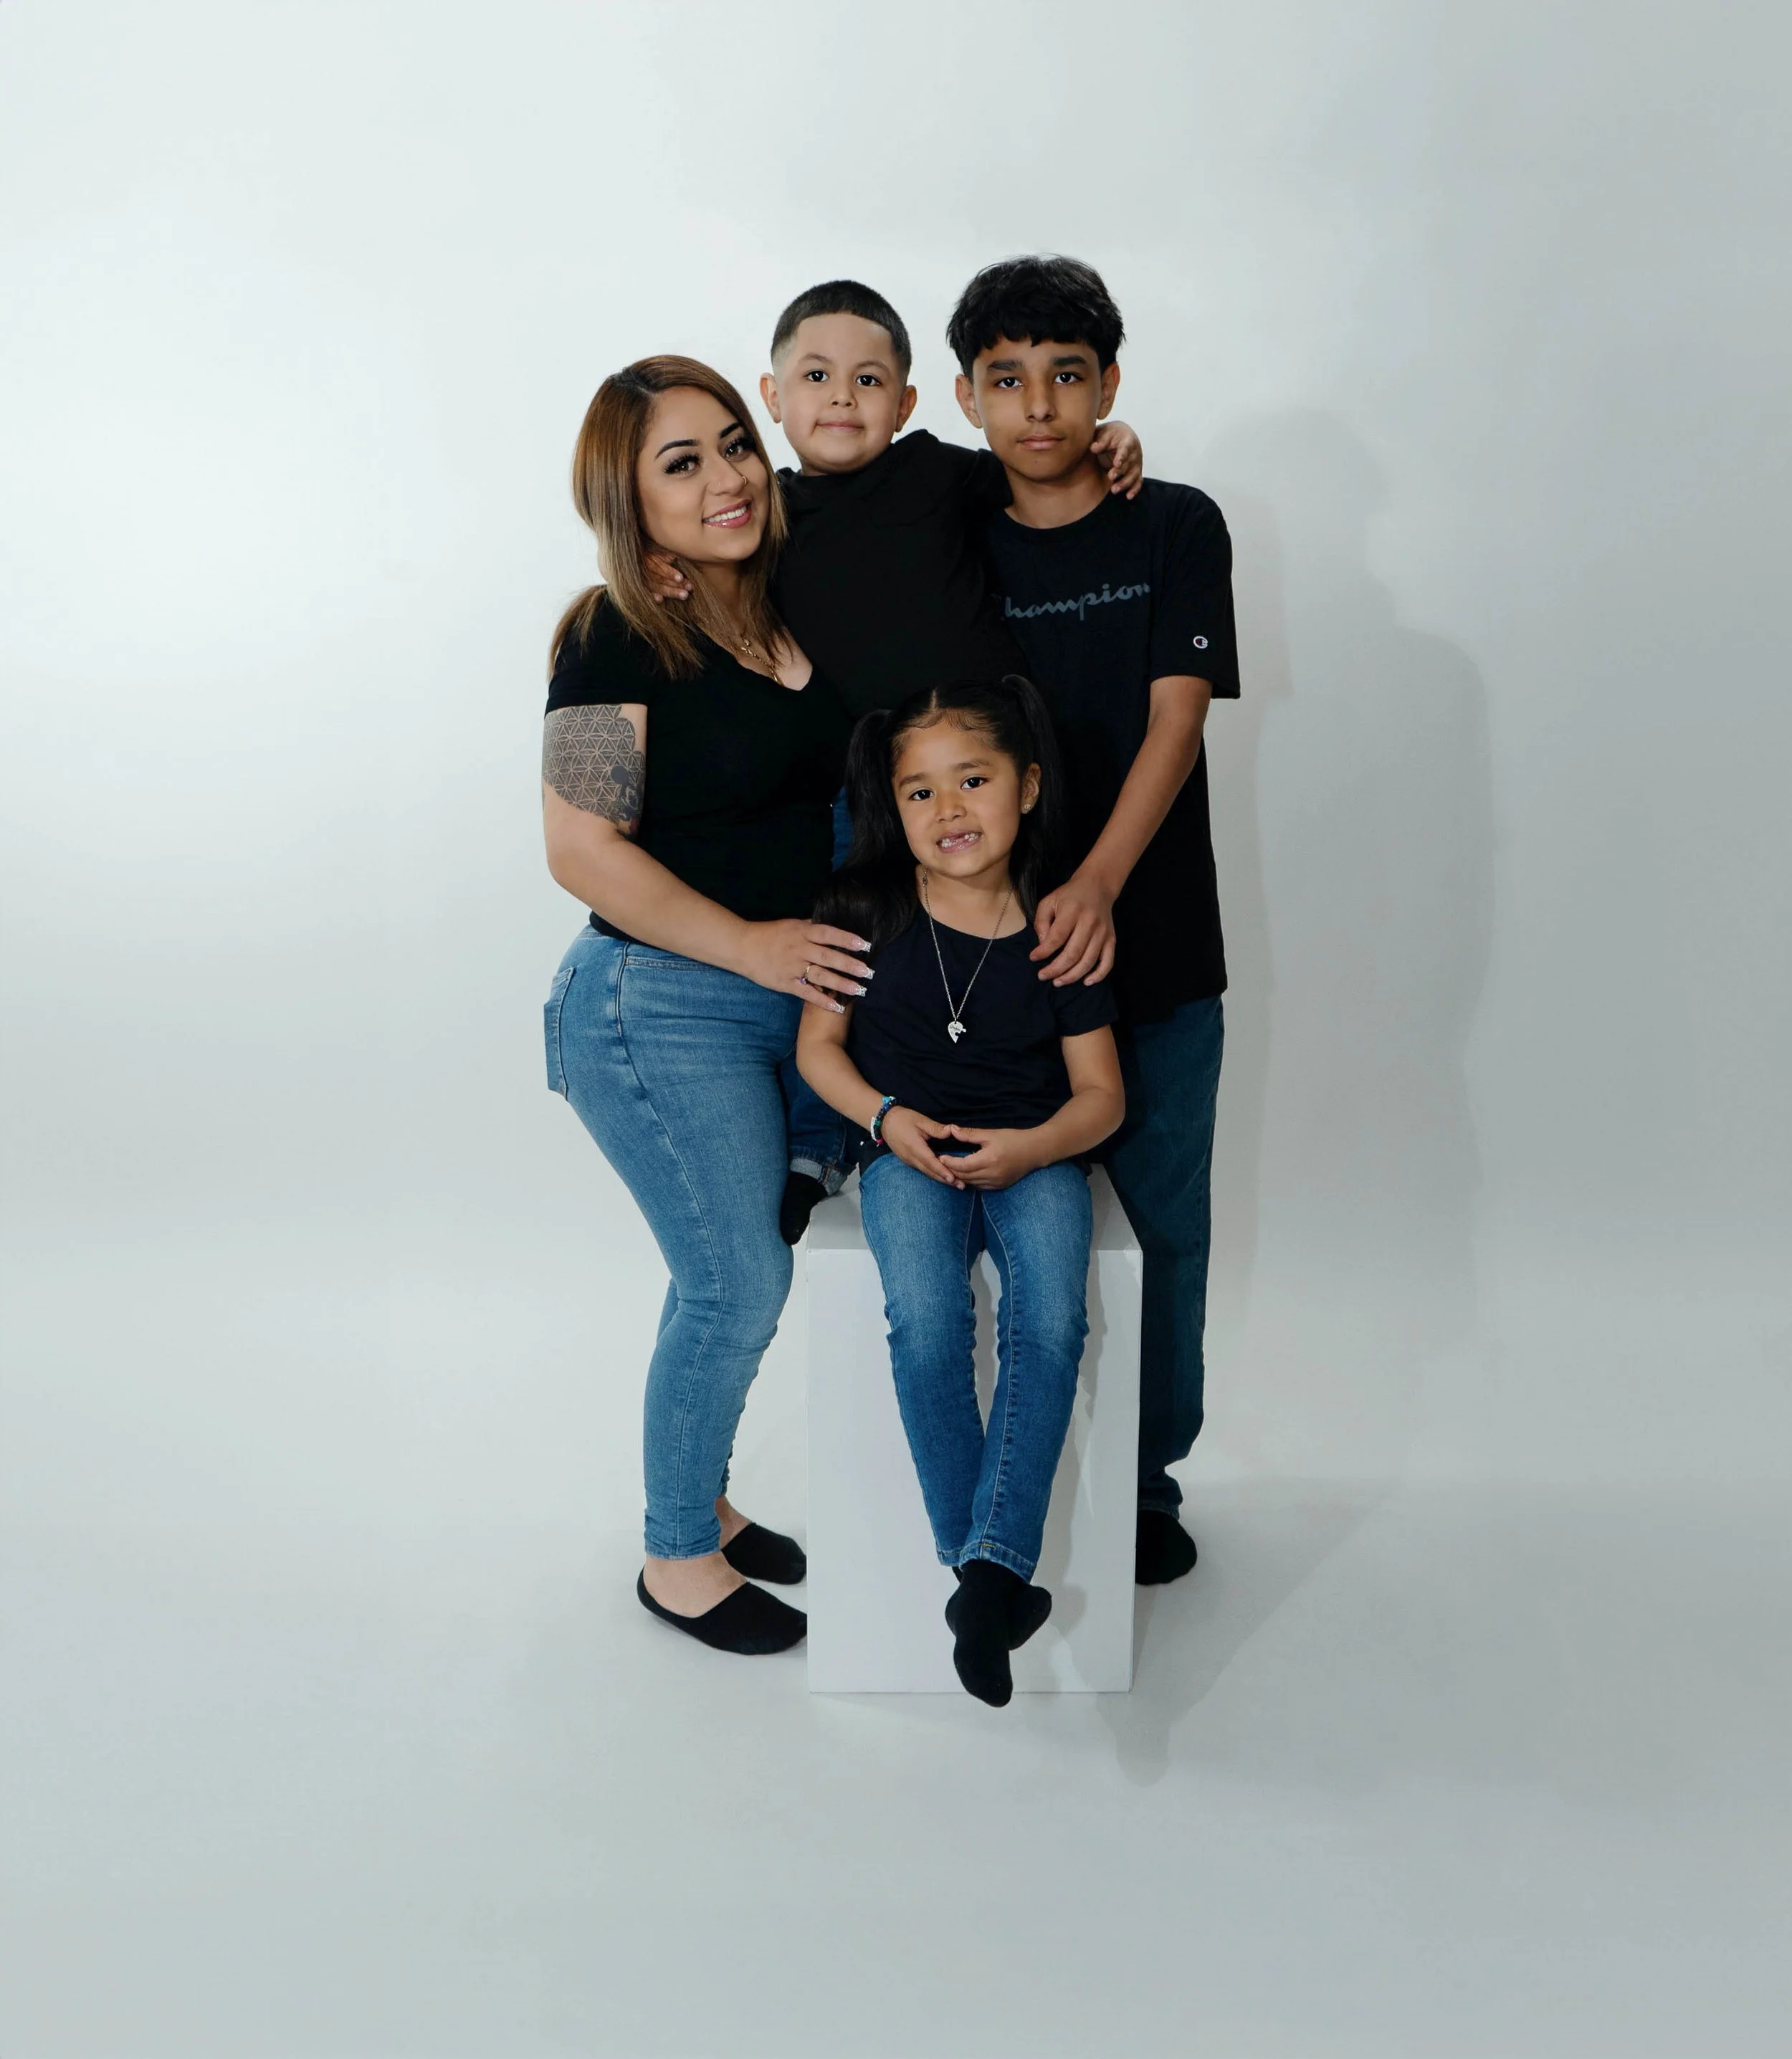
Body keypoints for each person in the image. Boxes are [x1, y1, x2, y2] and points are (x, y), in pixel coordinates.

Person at [652, 280, 1144, 1244]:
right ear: (773, 398)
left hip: (987, 768)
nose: (843, 397)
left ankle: (1050, 1115)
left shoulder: (937, 473)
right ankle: (821, 1140)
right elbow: (700, 548)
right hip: (869, 787)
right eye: (816, 377)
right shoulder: (768, 513)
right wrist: (663, 566)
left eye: (869, 380)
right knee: (845, 952)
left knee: (1021, 941)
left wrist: (1109, 443)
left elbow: (1038, 468)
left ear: (909, 402)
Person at [540, 355, 866, 1656]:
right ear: (629, 503)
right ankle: (676, 1556)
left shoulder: (787, 609)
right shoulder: (611, 632)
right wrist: (751, 946)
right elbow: (579, 847)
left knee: (744, 1266)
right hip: (655, 1005)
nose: (729, 476)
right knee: (735, 1282)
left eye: (734, 443)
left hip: (781, 1007)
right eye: (682, 463)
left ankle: (708, 1505)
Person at [948, 255, 1241, 1587]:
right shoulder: (951, 531)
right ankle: (1009, 1493)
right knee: (1011, 1228)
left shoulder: (1174, 522)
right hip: (996, 965)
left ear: (1110, 385)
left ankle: (1147, 1483)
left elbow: (1178, 718)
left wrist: (1101, 883)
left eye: (1068, 377)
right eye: (1006, 379)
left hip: (1158, 940)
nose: (1039, 406)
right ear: (965, 397)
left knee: (1165, 1227)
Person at [796, 677, 1125, 1706]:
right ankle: (986, 1577)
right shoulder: (862, 911)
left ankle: (980, 1583)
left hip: (1038, 1154)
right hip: (906, 1157)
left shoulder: (1060, 928)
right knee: (927, 1320)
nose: (949, 810)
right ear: (892, 807)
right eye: (920, 791)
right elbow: (818, 1051)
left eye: (973, 781)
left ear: (1027, 786)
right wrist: (885, 1119)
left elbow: (1102, 1097)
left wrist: (1033, 1150)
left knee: (1051, 1322)